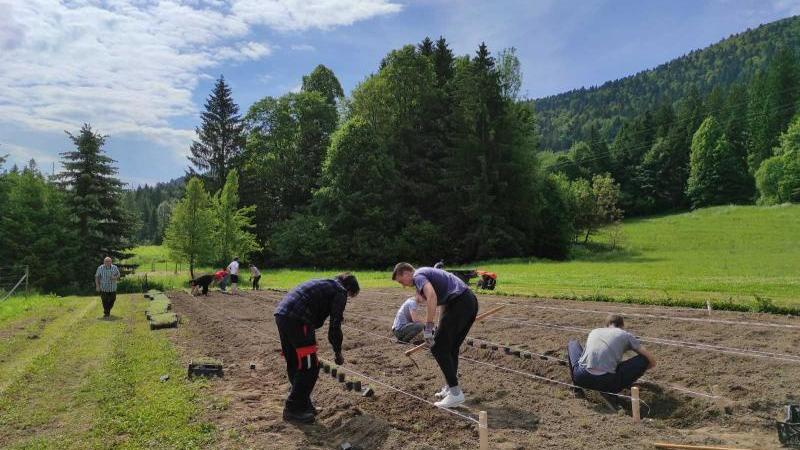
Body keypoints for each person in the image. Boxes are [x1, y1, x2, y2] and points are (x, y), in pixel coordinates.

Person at [274, 273, 360, 424]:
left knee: (295, 362)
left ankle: (303, 405)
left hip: (282, 315)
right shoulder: (340, 291)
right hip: (299, 320)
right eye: (351, 295)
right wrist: (337, 351)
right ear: (349, 289)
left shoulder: (326, 283)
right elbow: (335, 325)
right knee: (310, 365)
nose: (348, 298)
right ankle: (293, 409)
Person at [392, 262, 478, 408]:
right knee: (450, 348)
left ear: (406, 273)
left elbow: (431, 297)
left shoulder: (418, 275)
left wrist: (428, 328)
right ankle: (451, 388)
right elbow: (441, 304)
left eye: (401, 281)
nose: (404, 285)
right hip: (469, 302)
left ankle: (455, 394)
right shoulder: (427, 273)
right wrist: (436, 327)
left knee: (438, 348)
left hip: (459, 303)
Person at [567, 314, 656, 409]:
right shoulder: (625, 334)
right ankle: (609, 394)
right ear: (622, 326)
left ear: (607, 325)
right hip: (607, 383)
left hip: (582, 378)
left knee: (573, 344)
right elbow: (651, 359)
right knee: (643, 359)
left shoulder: (595, 331)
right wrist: (639, 370)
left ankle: (577, 389)